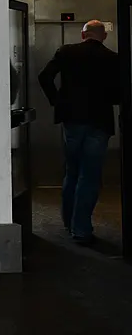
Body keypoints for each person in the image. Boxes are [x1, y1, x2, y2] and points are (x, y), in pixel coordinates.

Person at [38, 20, 121, 245]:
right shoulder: (113, 58)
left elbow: (44, 76)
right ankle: (81, 229)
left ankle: (68, 222)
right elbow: (120, 91)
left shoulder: (66, 52)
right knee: (90, 176)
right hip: (99, 121)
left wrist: (58, 102)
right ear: (103, 37)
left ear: (83, 35)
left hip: (72, 120)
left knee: (72, 171)